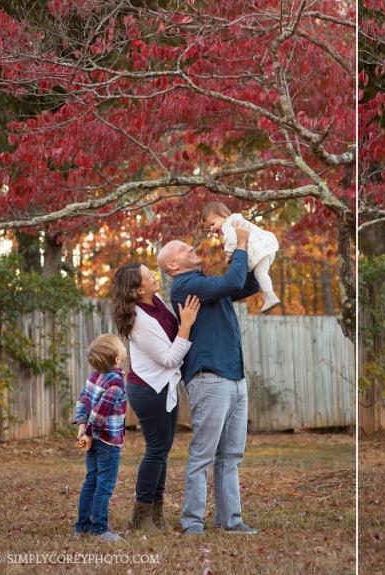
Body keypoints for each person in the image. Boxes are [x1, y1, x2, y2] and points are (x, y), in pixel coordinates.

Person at [157, 221, 259, 535]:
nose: (191, 247)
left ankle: (231, 521)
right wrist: (240, 243)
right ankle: (192, 523)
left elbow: (246, 284)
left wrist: (255, 249)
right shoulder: (185, 287)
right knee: (204, 453)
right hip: (209, 378)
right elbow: (232, 281)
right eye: (183, 248)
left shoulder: (206, 285)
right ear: (174, 265)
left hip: (234, 377)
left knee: (231, 455)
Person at [111, 263, 201, 532]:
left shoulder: (157, 300)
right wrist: (186, 325)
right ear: (139, 291)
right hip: (149, 391)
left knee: (162, 450)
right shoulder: (139, 321)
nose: (153, 275)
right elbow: (170, 358)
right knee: (156, 450)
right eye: (148, 276)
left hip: (164, 387)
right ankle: (141, 516)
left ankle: (157, 513)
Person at [72, 334, 128, 542]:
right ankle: (99, 529)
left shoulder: (94, 376)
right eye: (121, 345)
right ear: (116, 359)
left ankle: (82, 527)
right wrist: (89, 434)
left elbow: (82, 400)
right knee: (104, 484)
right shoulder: (116, 383)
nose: (124, 346)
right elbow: (100, 413)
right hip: (107, 442)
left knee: (91, 481)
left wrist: (82, 428)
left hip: (93, 438)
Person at [202, 201, 280, 313]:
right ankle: (269, 296)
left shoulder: (228, 224)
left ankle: (270, 296)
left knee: (260, 273)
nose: (212, 229)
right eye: (209, 227)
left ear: (224, 215)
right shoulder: (236, 220)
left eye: (213, 224)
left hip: (259, 249)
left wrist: (228, 254)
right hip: (265, 247)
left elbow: (232, 240)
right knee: (261, 273)